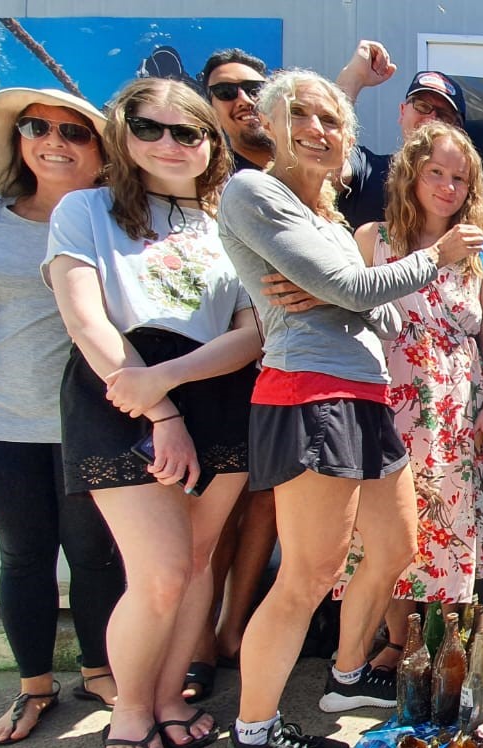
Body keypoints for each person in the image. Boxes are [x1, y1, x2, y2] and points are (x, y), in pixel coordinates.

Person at [214, 69, 483, 748]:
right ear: (270, 124)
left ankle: (345, 671)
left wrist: (343, 294)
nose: (317, 129)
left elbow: (379, 306)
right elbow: (357, 289)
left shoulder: (328, 221)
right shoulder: (254, 192)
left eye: (331, 119)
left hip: (367, 396)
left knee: (396, 544)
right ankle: (253, 738)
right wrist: (407, 270)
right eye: (299, 114)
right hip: (308, 394)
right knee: (308, 574)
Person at [45, 77, 262, 748]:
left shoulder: (227, 219)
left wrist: (171, 382)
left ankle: (169, 696)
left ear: (210, 143)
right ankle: (132, 705)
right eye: (150, 128)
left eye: (187, 132)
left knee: (198, 563)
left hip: (214, 389)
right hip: (122, 390)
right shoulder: (86, 211)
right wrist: (158, 405)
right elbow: (86, 319)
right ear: (123, 134)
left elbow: (252, 330)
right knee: (160, 570)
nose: (169, 144)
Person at [0, 87, 124, 744]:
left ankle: (100, 670)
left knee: (94, 553)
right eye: (37, 127)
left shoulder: (111, 220)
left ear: (99, 151)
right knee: (22, 555)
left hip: (85, 418)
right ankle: (32, 687)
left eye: (74, 132)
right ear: (19, 140)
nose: (54, 140)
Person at [334, 122, 483, 666]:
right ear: (412, 173)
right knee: (389, 526)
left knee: (450, 524)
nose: (447, 186)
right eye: (436, 172)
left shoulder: (478, 253)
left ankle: (438, 647)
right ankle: (392, 640)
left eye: (459, 178)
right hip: (389, 401)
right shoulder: (373, 239)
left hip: (458, 407)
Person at [193, 47, 277, 698]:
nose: (241, 99)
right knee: (213, 510)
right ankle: (198, 641)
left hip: (279, 364)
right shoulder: (199, 175)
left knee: (266, 504)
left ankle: (233, 627)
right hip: (212, 366)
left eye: (253, 88)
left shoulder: (286, 172)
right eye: (226, 92)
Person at [332, 41, 483, 230]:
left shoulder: (471, 197)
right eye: (422, 106)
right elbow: (327, 170)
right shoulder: (366, 169)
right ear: (403, 112)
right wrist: (353, 79)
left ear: (459, 131)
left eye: (444, 114)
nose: (431, 118)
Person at [198, 49, 272, 172]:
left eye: (255, 89)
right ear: (211, 111)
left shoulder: (312, 160)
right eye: (225, 91)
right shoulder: (217, 186)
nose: (244, 100)